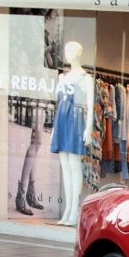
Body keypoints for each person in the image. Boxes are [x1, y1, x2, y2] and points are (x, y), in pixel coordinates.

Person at [49, 40, 93, 227]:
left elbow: (90, 105)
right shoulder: (62, 77)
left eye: (71, 50)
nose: (67, 53)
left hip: (75, 120)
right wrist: (53, 129)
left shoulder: (85, 77)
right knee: (65, 166)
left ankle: (75, 209)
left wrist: (88, 128)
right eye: (66, 49)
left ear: (79, 53)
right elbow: (58, 103)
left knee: (74, 165)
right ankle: (68, 209)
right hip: (62, 118)